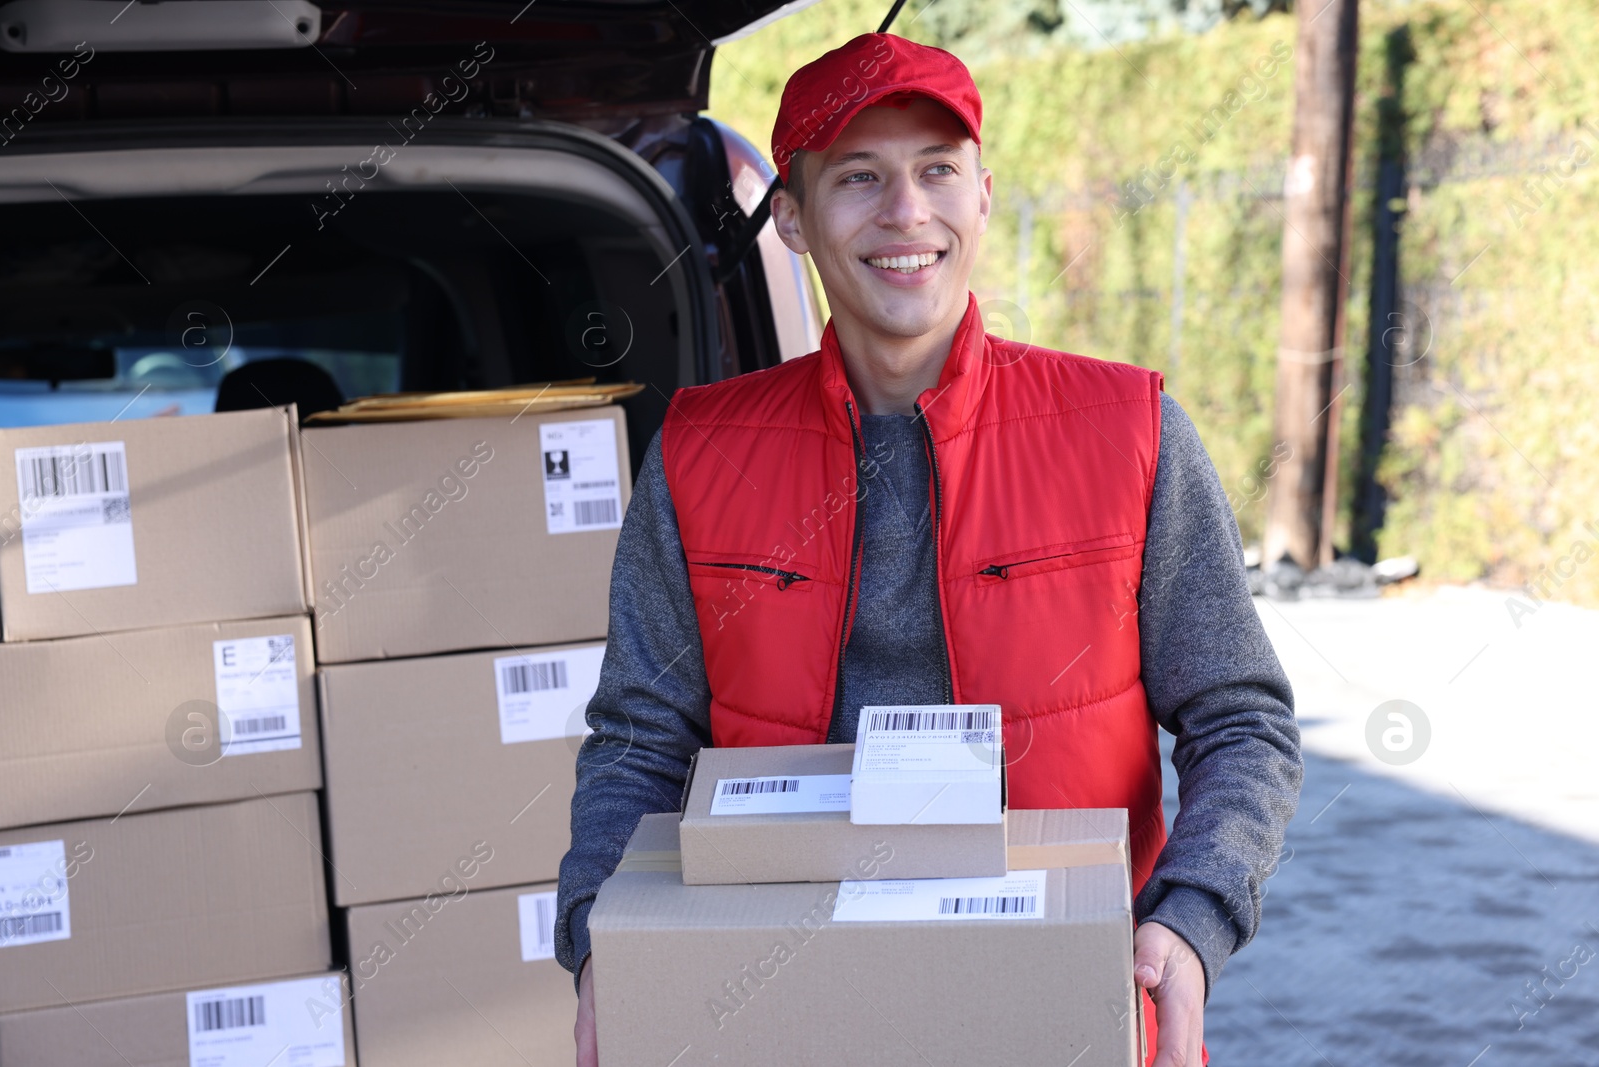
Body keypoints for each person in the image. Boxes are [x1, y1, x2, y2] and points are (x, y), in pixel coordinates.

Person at [555, 31, 1303, 1067]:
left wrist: (1189, 919)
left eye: (935, 172)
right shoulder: (697, 453)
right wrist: (600, 939)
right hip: (781, 1011)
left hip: (1059, 997)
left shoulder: (1123, 429)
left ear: (983, 197)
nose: (905, 212)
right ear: (793, 219)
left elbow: (1240, 715)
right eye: (858, 178)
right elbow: (639, 740)